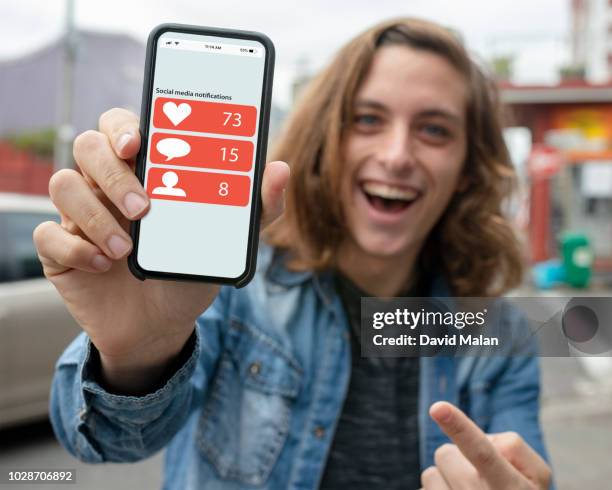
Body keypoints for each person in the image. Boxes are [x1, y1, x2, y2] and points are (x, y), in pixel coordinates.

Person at [35, 18, 553, 490]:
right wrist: (135, 356)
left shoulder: (499, 334)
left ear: (468, 166)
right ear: (325, 140)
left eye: (435, 129)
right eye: (367, 119)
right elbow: (101, 442)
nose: (397, 156)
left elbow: (528, 471)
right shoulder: (228, 289)